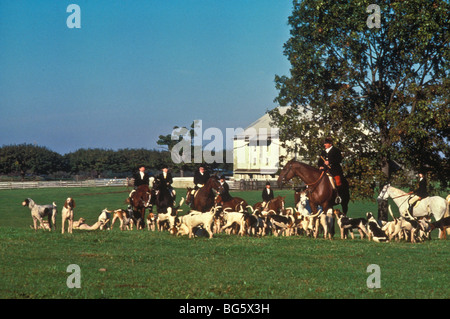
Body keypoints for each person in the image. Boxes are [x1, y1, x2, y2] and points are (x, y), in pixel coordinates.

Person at [318, 137, 344, 202]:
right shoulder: (323, 152)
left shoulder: (336, 150)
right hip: (324, 170)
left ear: (330, 144)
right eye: (324, 143)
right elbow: (320, 161)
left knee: (338, 181)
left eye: (326, 143)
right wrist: (320, 166)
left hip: (334, 170)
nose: (324, 145)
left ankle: (338, 196)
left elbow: (339, 159)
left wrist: (330, 162)